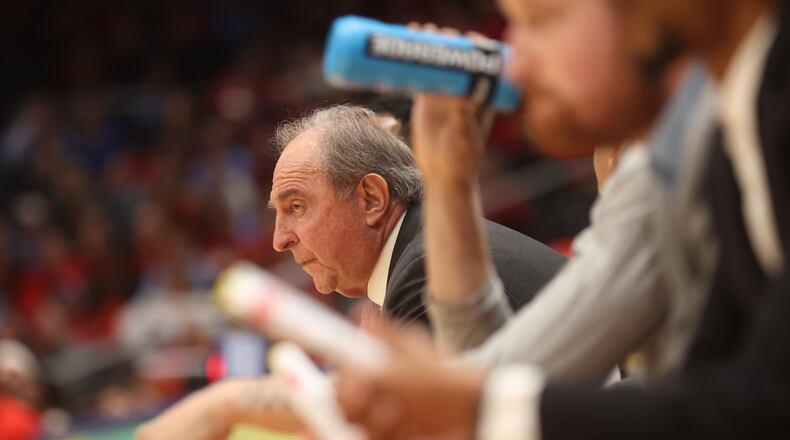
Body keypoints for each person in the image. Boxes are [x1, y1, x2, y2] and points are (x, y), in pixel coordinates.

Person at [333, 0, 790, 438]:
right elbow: (508, 377)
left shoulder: (711, 135)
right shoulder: (686, 144)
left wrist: (474, 405)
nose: (516, 64)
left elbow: (755, 406)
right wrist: (449, 182)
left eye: (541, 19)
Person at [135, 104, 564, 440]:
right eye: (278, 214)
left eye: (296, 207)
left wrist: (226, 404)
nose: (279, 240)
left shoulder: (428, 268)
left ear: (372, 199)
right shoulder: (420, 252)